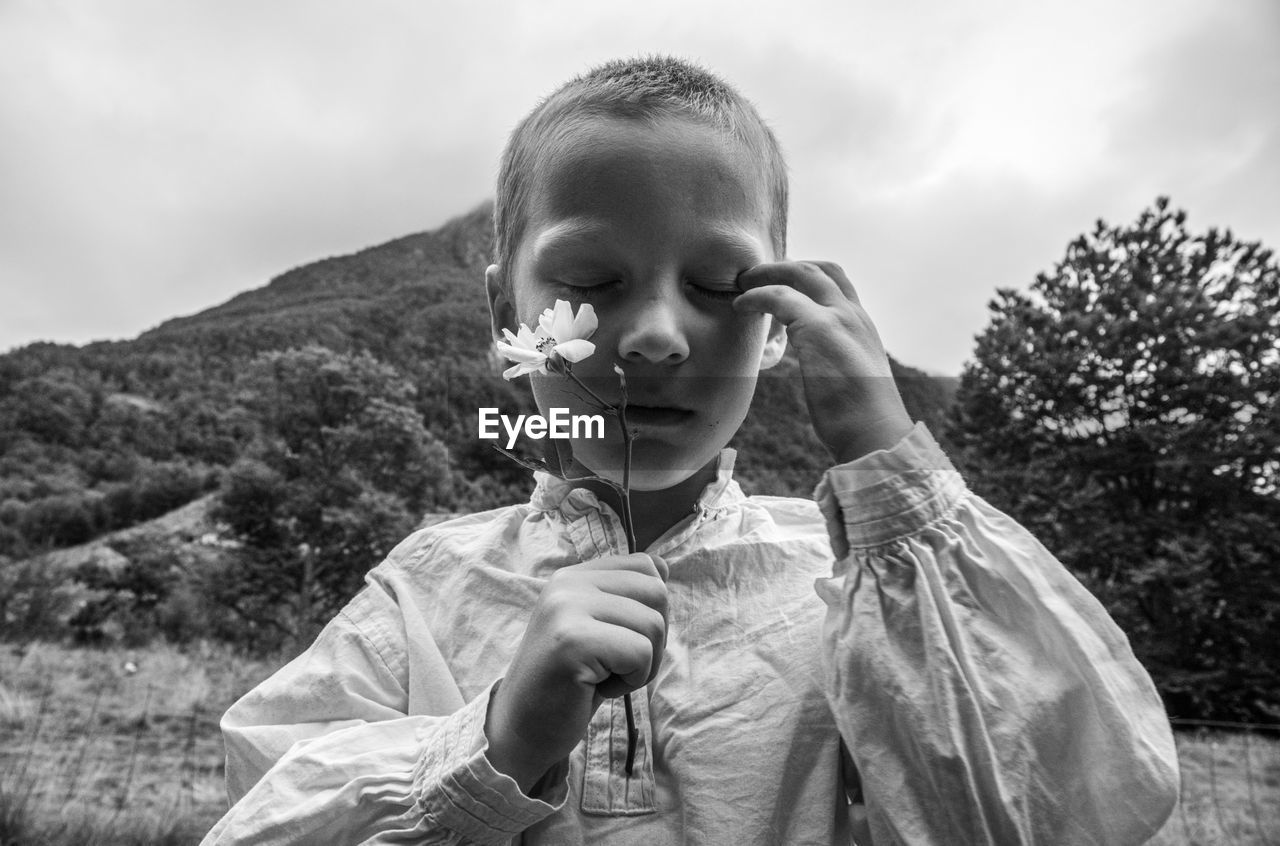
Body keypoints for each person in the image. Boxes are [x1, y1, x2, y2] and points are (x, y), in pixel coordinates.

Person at [202, 56, 1179, 845]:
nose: (659, 334)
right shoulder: (420, 590)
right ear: (507, 310)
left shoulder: (857, 591)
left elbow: (1069, 805)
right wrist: (493, 744)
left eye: (718, 284)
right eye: (590, 277)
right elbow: (269, 817)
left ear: (779, 326)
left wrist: (894, 478)